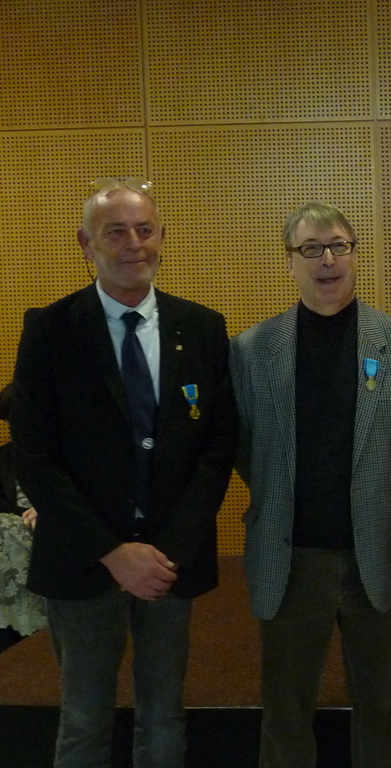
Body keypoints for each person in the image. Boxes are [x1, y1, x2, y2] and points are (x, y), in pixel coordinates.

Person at [10, 177, 237, 767]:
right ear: (86, 244)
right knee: (84, 720)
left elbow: (217, 449)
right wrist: (113, 552)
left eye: (145, 229)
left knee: (163, 716)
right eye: (115, 232)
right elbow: (34, 454)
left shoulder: (202, 328)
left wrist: (166, 551)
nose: (134, 243)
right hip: (84, 560)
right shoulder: (50, 329)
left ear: (162, 237)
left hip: (168, 564)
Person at [230, 202, 391, 768]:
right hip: (290, 558)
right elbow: (246, 448)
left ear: (354, 255)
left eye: (338, 246)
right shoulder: (251, 351)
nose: (327, 260)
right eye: (311, 249)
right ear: (290, 262)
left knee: (380, 705)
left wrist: (384, 500)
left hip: (375, 552)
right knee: (285, 708)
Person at [0, 383, 47, 653]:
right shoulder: (3, 458)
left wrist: (49, 510)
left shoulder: (70, 458)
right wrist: (24, 515)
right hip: (16, 538)